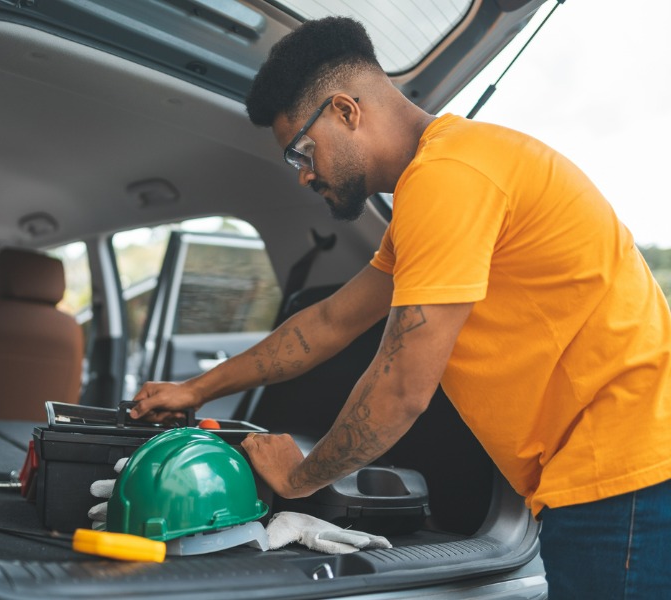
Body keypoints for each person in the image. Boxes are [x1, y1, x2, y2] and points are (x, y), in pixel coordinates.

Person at [129, 16, 671, 598]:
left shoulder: (450, 177)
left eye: (301, 153)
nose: (304, 174)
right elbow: (329, 323)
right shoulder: (440, 180)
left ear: (345, 110)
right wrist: (196, 390)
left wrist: (300, 477)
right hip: (615, 475)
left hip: (625, 478)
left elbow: (402, 388)